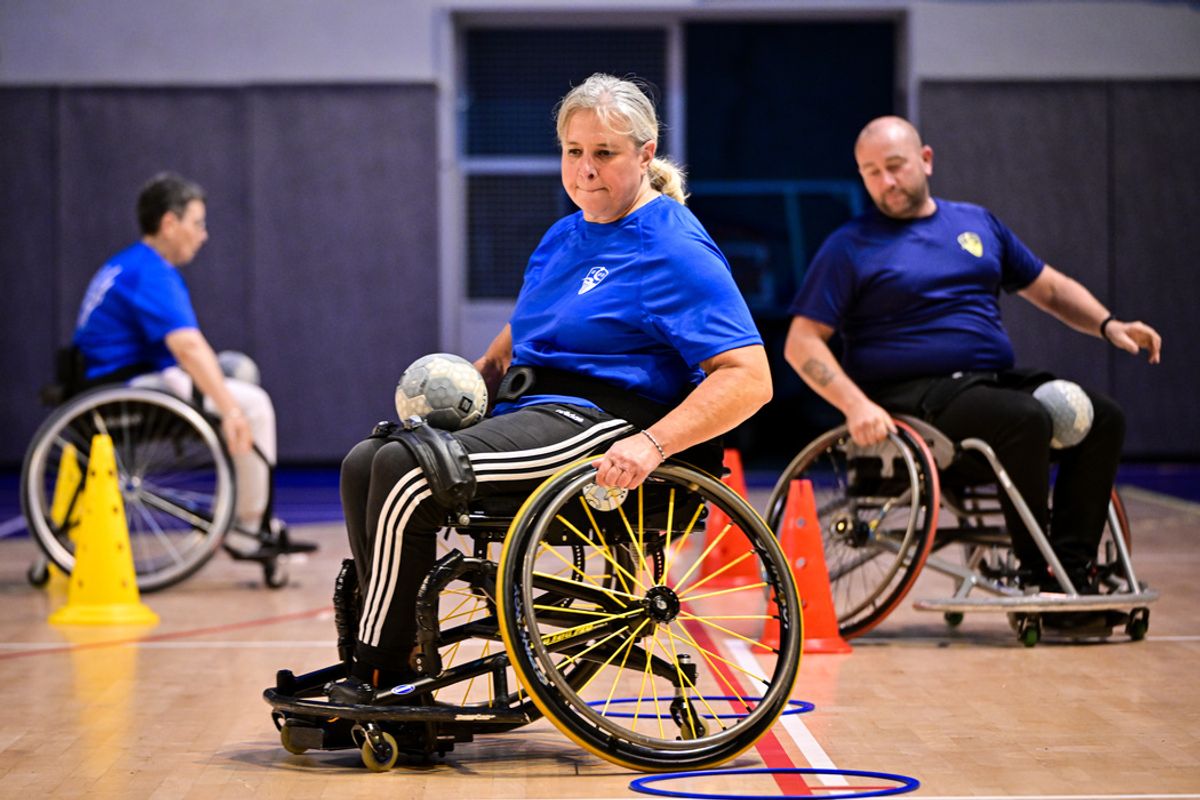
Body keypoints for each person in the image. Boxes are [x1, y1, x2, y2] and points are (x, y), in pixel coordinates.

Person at [332, 73, 772, 699]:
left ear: (646, 155)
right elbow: (535, 323)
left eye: (604, 153)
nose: (585, 170)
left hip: (604, 421)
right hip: (532, 404)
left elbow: (750, 378)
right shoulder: (563, 235)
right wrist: (478, 373)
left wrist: (653, 445)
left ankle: (383, 673)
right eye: (574, 152)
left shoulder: (672, 247)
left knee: (410, 471)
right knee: (365, 461)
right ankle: (392, 654)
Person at [785, 115, 1162, 600]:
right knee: (1023, 418)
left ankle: (1073, 569)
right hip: (913, 398)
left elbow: (1048, 288)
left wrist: (1110, 325)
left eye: (895, 166)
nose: (887, 182)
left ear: (926, 160)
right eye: (871, 172)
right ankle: (1037, 574)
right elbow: (801, 342)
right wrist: (855, 405)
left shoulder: (977, 223)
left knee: (1103, 416)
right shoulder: (849, 246)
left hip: (987, 382)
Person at [73, 172, 281, 542]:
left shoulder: (130, 263)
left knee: (239, 369)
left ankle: (234, 500)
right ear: (170, 223)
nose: (204, 235)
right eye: (197, 224)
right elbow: (187, 347)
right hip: (123, 388)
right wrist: (231, 410)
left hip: (110, 376)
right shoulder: (149, 273)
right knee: (254, 405)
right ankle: (249, 527)